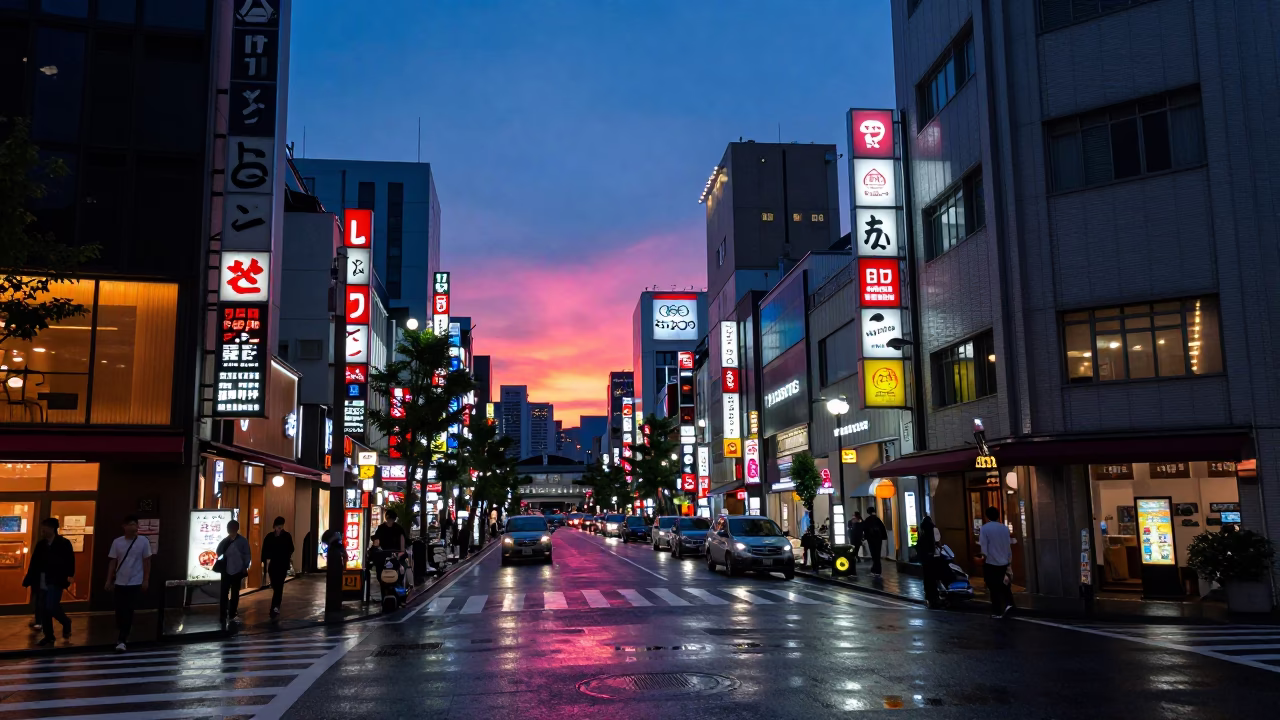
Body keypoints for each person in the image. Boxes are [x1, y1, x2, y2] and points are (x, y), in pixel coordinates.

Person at [23, 518, 74, 646]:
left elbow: (70, 561)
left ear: (52, 528)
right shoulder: (41, 544)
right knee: (43, 608)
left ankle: (65, 622)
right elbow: (34, 562)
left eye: (45, 528)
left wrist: (69, 576)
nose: (43, 530)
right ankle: (49, 636)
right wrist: (29, 578)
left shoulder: (64, 543)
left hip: (56, 579)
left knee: (51, 605)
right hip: (41, 578)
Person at [105, 515, 152, 651]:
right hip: (120, 581)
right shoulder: (117, 542)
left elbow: (147, 561)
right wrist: (109, 580)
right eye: (129, 524)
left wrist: (146, 579)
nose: (132, 527)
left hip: (135, 581)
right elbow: (113, 562)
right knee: (120, 609)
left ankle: (122, 639)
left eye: (134, 524)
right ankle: (123, 630)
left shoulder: (143, 541)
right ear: (124, 527)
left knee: (128, 609)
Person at [978, 506, 1014, 618]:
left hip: (991, 562)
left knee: (993, 587)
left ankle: (998, 611)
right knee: (1005, 585)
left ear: (987, 516)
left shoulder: (985, 528)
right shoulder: (1004, 528)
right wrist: (1008, 560)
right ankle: (1010, 604)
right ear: (998, 515)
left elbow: (983, 547)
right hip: (1004, 562)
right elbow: (1008, 545)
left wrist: (983, 558)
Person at [216, 520, 251, 630]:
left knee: (227, 593)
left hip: (230, 571)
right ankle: (229, 613)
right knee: (233, 593)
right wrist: (245, 566)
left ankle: (226, 614)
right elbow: (247, 555)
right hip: (233, 570)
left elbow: (218, 553)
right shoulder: (242, 541)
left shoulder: (226, 541)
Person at [261, 517, 294, 619]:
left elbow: (291, 548)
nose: (280, 529)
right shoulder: (270, 537)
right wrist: (264, 562)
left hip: (282, 564)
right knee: (276, 585)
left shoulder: (286, 536)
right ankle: (275, 606)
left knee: (279, 586)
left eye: (281, 527)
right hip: (273, 564)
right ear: (274, 527)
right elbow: (264, 550)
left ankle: (275, 607)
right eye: (278, 527)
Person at [917, 514, 940, 608]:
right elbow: (938, 542)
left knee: (927, 578)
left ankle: (929, 596)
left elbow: (919, 547)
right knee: (934, 578)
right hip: (933, 558)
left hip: (925, 559)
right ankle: (935, 596)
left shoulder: (922, 535)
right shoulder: (934, 531)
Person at [862, 507, 888, 578]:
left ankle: (875, 571)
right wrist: (884, 537)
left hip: (871, 540)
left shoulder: (867, 520)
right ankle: (876, 570)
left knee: (874, 555)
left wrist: (864, 537)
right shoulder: (878, 519)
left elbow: (865, 530)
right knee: (877, 555)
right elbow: (883, 529)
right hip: (878, 540)